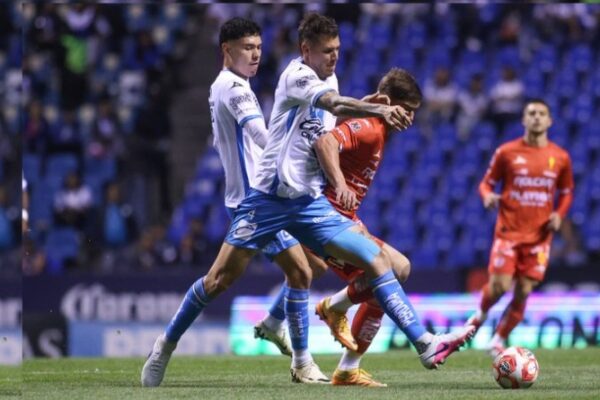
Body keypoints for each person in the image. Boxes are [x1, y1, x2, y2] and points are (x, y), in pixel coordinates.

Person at [143, 12, 473, 388]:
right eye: (327, 51)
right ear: (306, 50)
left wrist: (362, 106)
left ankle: (425, 343)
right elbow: (331, 105)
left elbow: (326, 122)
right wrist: (377, 109)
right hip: (267, 200)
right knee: (219, 280)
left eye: (337, 50)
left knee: (372, 260)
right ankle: (165, 346)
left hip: (308, 202)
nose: (334, 57)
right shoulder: (295, 75)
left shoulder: (330, 78)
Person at [142, 17, 328, 387]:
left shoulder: (234, 84)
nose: (256, 54)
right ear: (226, 50)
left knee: (312, 267)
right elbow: (260, 134)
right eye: (247, 48)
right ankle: (165, 345)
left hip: (269, 197)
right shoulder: (232, 87)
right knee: (219, 281)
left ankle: (280, 333)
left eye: (258, 47)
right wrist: (303, 156)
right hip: (253, 203)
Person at [258, 68, 424, 387]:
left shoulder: (376, 126)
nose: (410, 118)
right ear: (389, 102)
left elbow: (344, 123)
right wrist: (340, 184)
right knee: (384, 273)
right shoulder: (369, 128)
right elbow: (326, 141)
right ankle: (334, 318)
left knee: (381, 268)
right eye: (407, 110)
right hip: (325, 218)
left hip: (343, 217)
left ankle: (280, 323)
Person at [466, 99, 574, 357]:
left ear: (549, 121)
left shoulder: (560, 157)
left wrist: (559, 214)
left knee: (524, 290)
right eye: (531, 113)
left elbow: (566, 192)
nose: (536, 117)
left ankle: (498, 339)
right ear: (524, 120)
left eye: (541, 113)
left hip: (539, 236)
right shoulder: (506, 152)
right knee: (500, 287)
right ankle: (480, 315)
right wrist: (487, 196)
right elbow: (486, 183)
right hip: (509, 232)